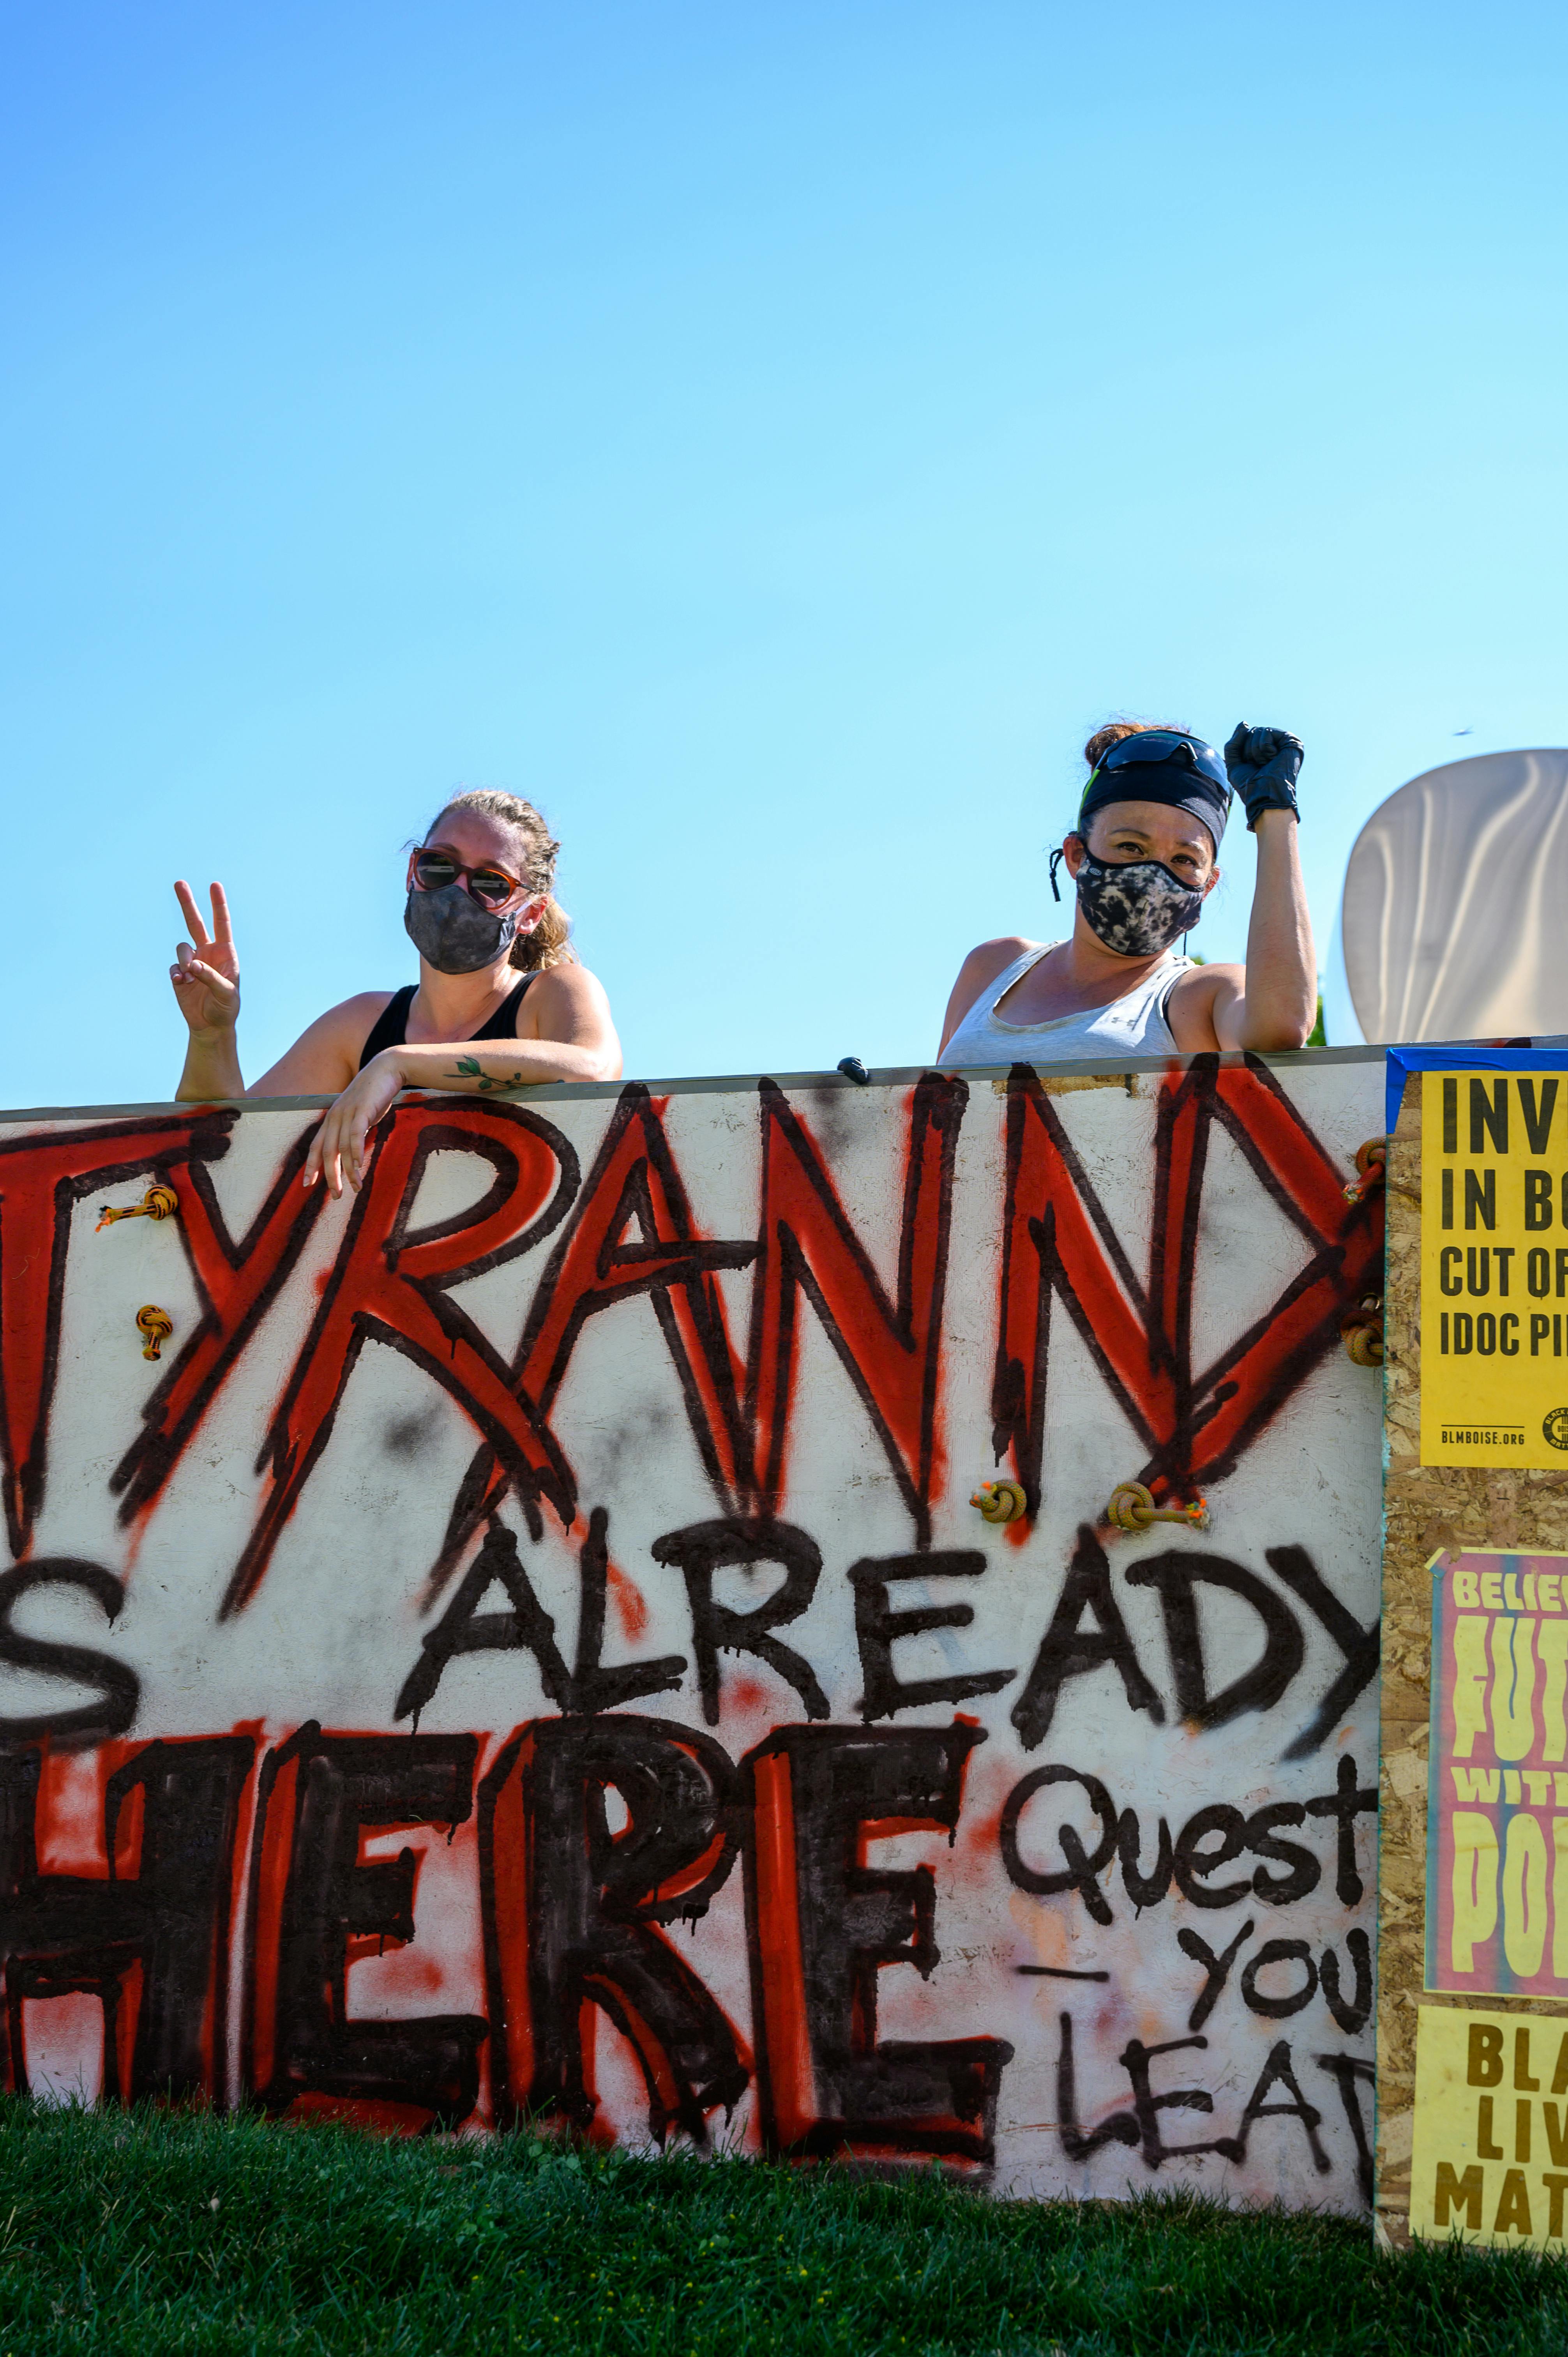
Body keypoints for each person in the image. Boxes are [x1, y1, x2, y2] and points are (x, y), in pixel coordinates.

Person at [171, 788, 622, 1194]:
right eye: (439, 866)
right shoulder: (361, 1023)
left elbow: (593, 1071)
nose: (457, 891)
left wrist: (398, 1064)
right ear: (413, 870)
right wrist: (212, 1036)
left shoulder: (550, 993)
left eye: (490, 883)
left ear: (529, 914)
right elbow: (225, 1146)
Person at [938, 721, 1315, 1066]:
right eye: (1131, 847)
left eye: (1184, 859)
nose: (1152, 874)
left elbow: (1279, 1029)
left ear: (1206, 886)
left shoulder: (1200, 995)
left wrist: (1275, 813)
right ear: (1077, 856)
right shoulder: (994, 967)